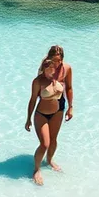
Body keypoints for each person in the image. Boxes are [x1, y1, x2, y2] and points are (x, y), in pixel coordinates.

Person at [25, 58, 66, 186]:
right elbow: (32, 100)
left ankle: (49, 161)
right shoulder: (38, 82)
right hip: (41, 115)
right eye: (48, 69)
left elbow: (65, 92)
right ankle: (36, 170)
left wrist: (69, 108)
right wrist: (28, 119)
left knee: (54, 140)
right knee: (45, 144)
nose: (51, 72)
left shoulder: (57, 79)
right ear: (42, 69)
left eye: (52, 69)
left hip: (57, 113)